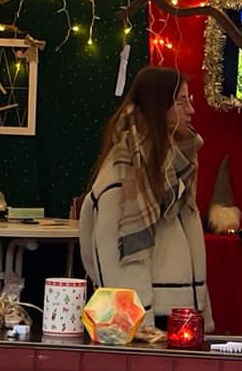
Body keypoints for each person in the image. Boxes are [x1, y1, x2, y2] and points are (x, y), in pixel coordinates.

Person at [80, 67, 212, 325]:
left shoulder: (176, 165)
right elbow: (115, 254)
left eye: (189, 100)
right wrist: (138, 325)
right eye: (181, 101)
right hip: (147, 317)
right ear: (159, 105)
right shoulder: (125, 171)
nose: (191, 110)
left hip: (178, 310)